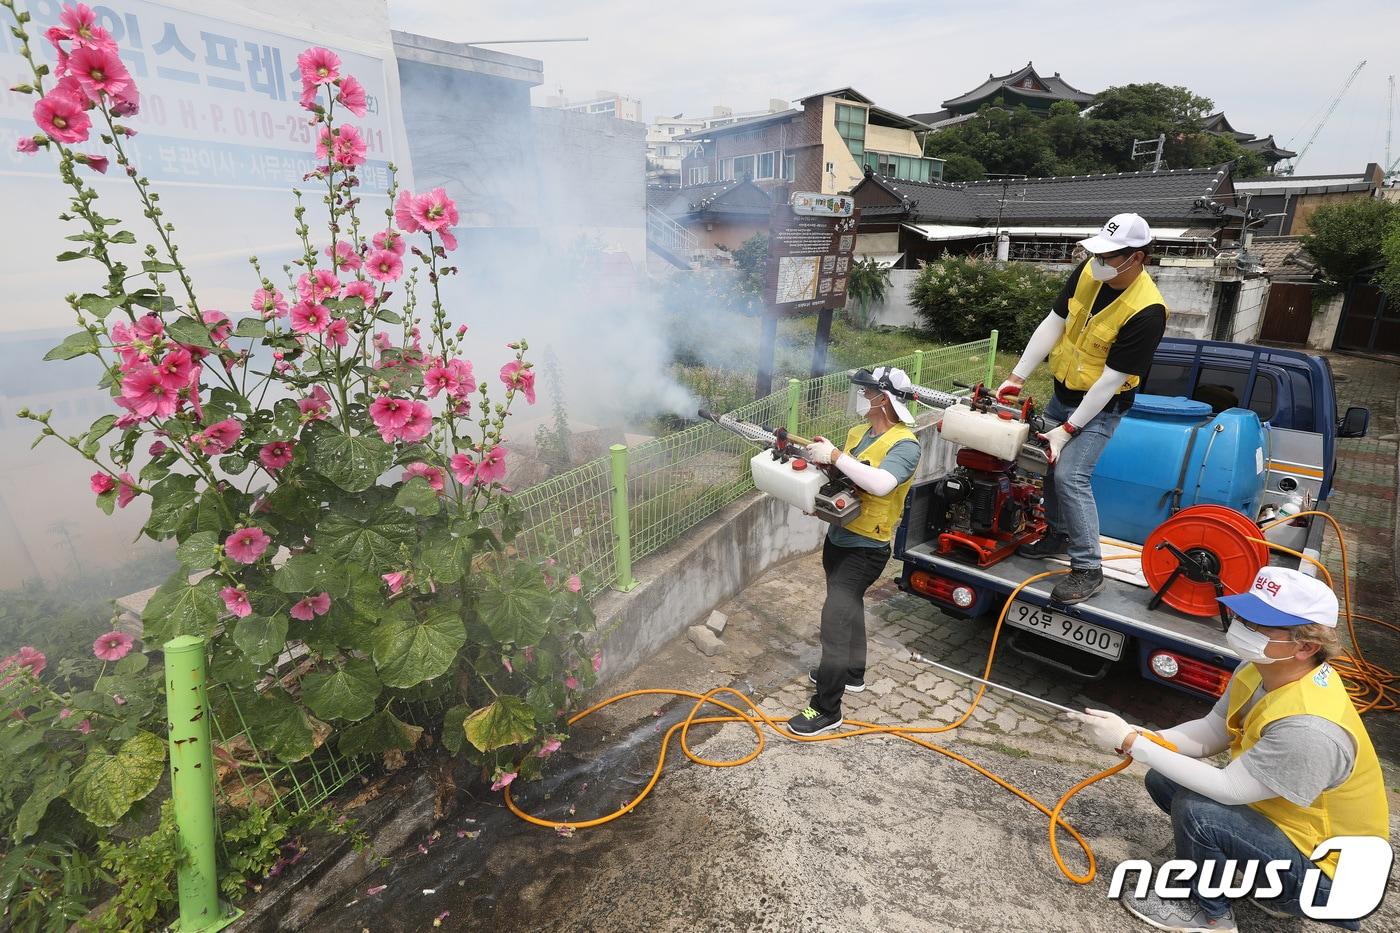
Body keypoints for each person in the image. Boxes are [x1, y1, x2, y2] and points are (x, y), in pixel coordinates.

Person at [1070, 567, 1389, 932]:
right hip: (1291, 831)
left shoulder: (1311, 728)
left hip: (1334, 883)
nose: (1241, 627)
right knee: (1165, 778)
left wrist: (1133, 744)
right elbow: (1213, 729)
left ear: (1306, 647)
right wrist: (1143, 736)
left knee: (1199, 812)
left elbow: (1231, 789)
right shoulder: (1260, 668)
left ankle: (1209, 917)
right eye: (1243, 615)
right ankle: (1268, 887)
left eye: (1259, 624)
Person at [995, 212, 1168, 604]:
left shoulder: (1148, 311)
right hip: (1064, 392)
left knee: (1071, 476)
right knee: (1049, 466)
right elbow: (1054, 322)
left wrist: (1068, 430)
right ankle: (1056, 534)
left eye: (1110, 256)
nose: (1100, 261)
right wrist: (1017, 376)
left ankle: (1089, 569)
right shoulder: (1089, 271)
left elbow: (1110, 381)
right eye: (1099, 253)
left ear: (1137, 258)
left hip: (1103, 406)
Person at [786, 366, 922, 737]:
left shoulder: (906, 444)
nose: (862, 397)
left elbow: (880, 484)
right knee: (849, 606)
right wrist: (816, 480)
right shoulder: (859, 433)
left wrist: (835, 456)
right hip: (839, 538)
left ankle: (826, 709)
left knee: (835, 621)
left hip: (867, 549)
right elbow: (845, 479)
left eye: (867, 392)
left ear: (885, 399)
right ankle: (852, 673)